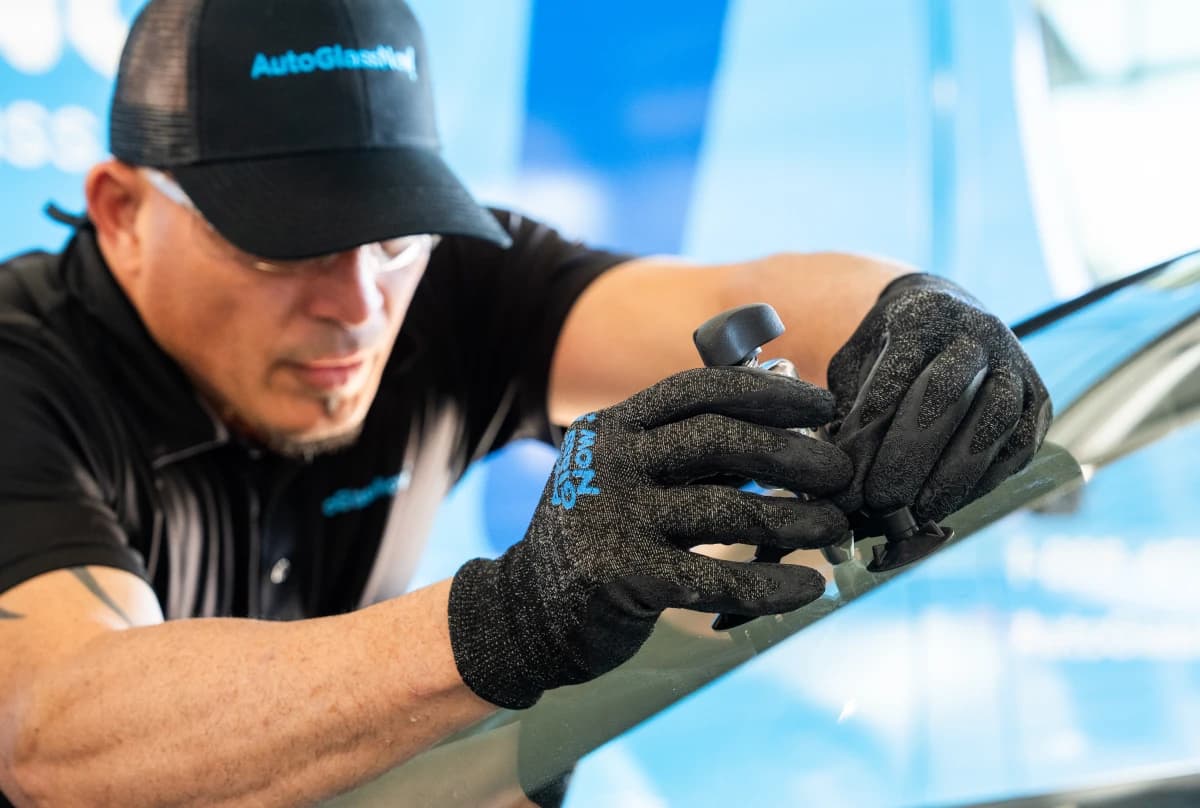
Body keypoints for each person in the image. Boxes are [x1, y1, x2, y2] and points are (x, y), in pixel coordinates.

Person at [0, 0, 1051, 805]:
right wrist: (510, 615)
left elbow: (746, 302)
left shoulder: (446, 291)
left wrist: (921, 315)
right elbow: (55, 735)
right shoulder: (23, 373)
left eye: (392, 233)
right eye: (290, 243)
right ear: (122, 210)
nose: (361, 304)